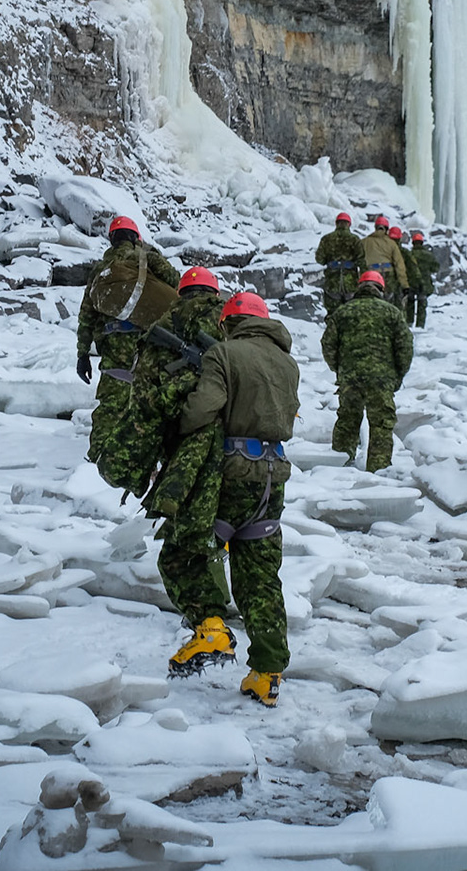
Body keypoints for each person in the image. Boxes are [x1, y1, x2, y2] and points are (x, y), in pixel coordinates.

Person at [155, 291, 301, 707]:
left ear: (229, 321)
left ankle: (212, 628)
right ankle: (267, 672)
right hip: (273, 477)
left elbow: (205, 406)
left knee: (181, 554)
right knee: (259, 574)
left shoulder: (223, 353)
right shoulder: (288, 364)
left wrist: (179, 428)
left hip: (229, 474)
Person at [89, 265, 223, 502]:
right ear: (216, 293)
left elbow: (142, 384)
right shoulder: (227, 321)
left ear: (180, 293)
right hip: (218, 425)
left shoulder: (161, 323)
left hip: (171, 425)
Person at [76, 215, 180, 463]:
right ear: (136, 237)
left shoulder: (101, 269)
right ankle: (145, 457)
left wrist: (82, 354)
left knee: (112, 401)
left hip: (113, 342)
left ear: (112, 238)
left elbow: (86, 314)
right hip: (149, 341)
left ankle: (98, 457)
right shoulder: (147, 257)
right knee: (149, 398)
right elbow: (176, 282)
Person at [321, 269, 413, 471]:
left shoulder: (342, 312)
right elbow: (405, 348)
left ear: (359, 287)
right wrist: (397, 376)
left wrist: (339, 369)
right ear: (381, 289)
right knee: (381, 424)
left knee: (347, 420)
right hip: (382, 380)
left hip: (350, 379)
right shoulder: (392, 313)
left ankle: (339, 468)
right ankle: (378, 471)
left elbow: (328, 345)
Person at [315, 212, 365, 316]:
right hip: (350, 282)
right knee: (351, 314)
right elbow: (361, 260)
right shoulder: (355, 239)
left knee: (333, 315)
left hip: (332, 282)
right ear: (349, 224)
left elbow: (319, 259)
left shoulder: (326, 239)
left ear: (336, 223)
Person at [361, 215, 409, 293]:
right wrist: (404, 285)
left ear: (375, 227)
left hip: (371, 275)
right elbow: (399, 265)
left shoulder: (364, 242)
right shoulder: (391, 243)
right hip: (388, 275)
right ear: (387, 229)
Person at [406, 230, 439, 329]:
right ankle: (420, 325)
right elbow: (435, 268)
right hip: (424, 284)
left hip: (411, 283)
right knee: (422, 305)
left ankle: (409, 322)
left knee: (410, 303)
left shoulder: (409, 254)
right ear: (422, 242)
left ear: (413, 242)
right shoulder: (428, 255)